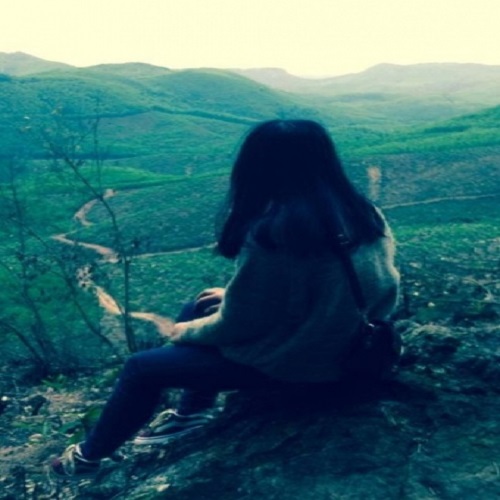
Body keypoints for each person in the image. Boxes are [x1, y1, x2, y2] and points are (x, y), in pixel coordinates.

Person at [50, 119, 400, 479]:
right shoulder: (363, 215)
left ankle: (87, 459)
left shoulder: (275, 233)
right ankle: (192, 414)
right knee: (201, 303)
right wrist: (232, 300)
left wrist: (184, 332)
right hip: (349, 346)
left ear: (257, 167)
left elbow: (240, 324)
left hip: (304, 366)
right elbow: (364, 287)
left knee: (141, 368)